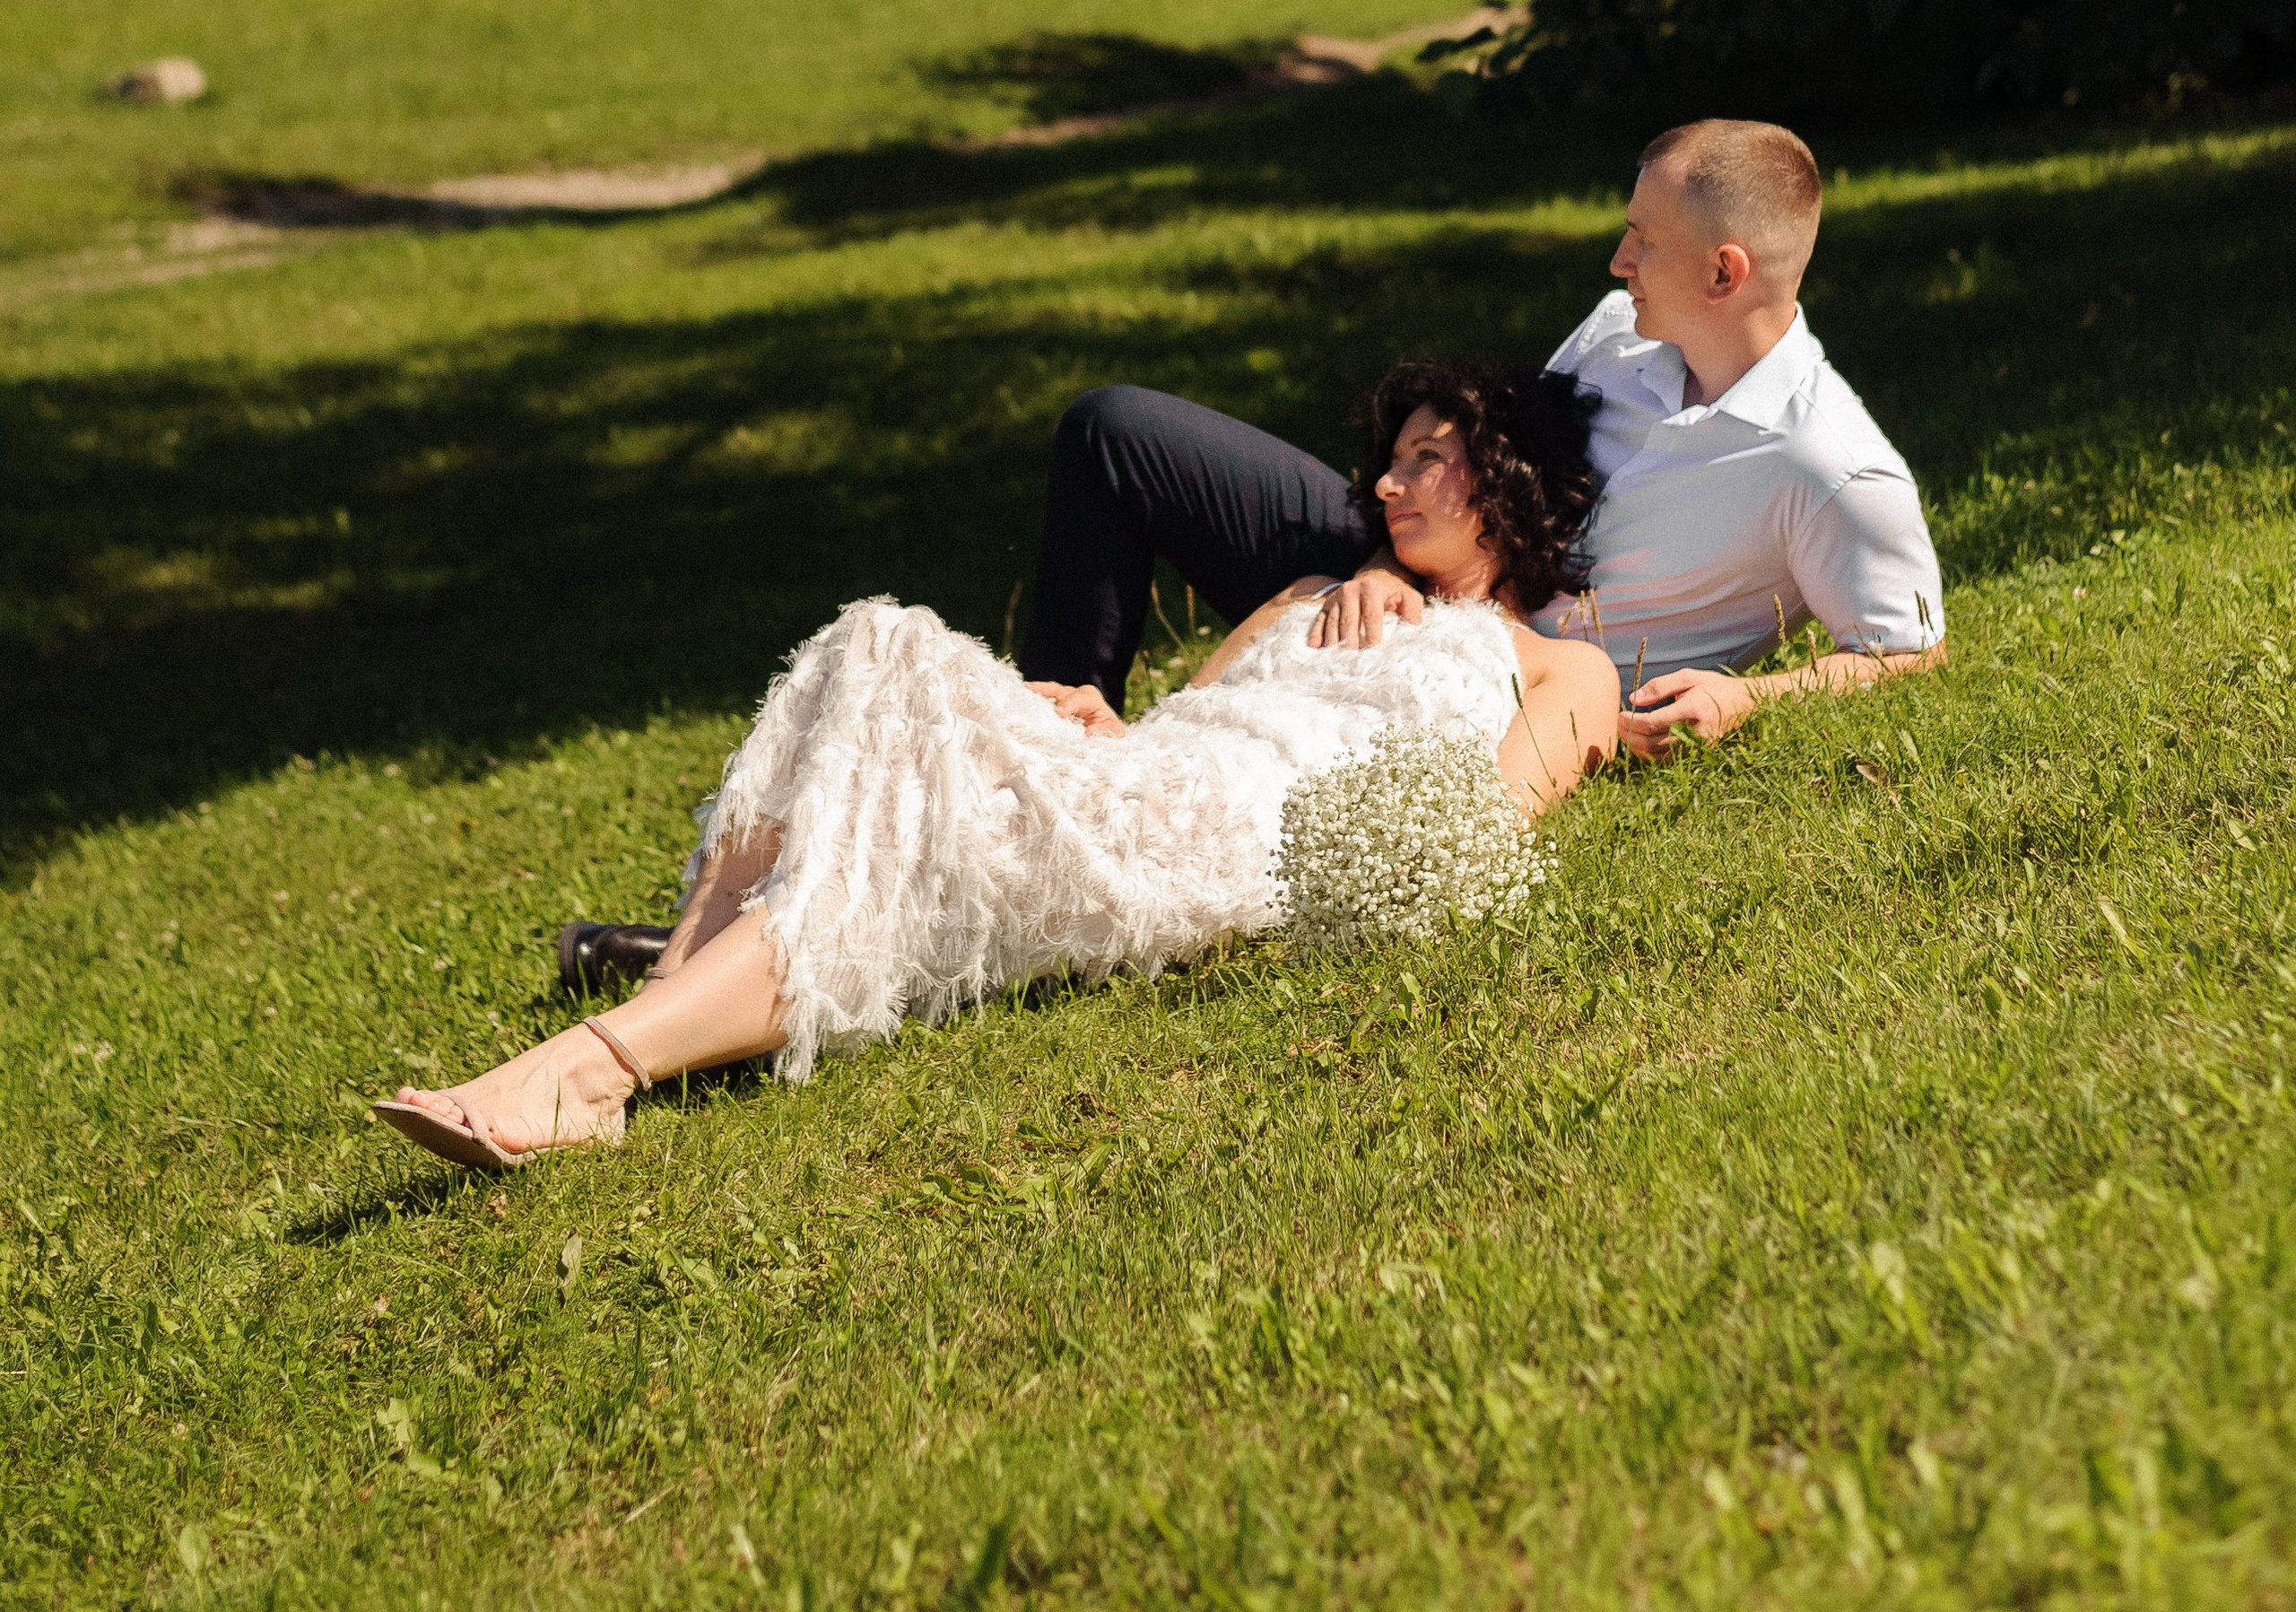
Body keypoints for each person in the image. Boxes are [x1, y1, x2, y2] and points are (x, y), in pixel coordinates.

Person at [374, 364, 1618, 1178]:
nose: (1390, 482)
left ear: (1506, 485)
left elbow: (1483, 826)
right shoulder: (1308, 589)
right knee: (872, 649)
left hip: (1250, 838)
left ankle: (595, 1062)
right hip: (1163, 785)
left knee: (889, 710)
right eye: (1390, 458)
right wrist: (1094, 718)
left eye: (1429, 459)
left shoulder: (1556, 667)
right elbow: (1183, 720)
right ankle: (651, 1033)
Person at [1017, 118, 1944, 762]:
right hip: (1418, 587)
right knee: (1115, 430)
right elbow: (1488, 468)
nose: (1617, 262)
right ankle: (1052, 744)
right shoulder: (1618, 334)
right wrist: (1385, 560)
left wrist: (1746, 697)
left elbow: (1910, 654)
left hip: (1507, 686)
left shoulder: (1828, 464)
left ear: (1722, 271)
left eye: (1639, 240)